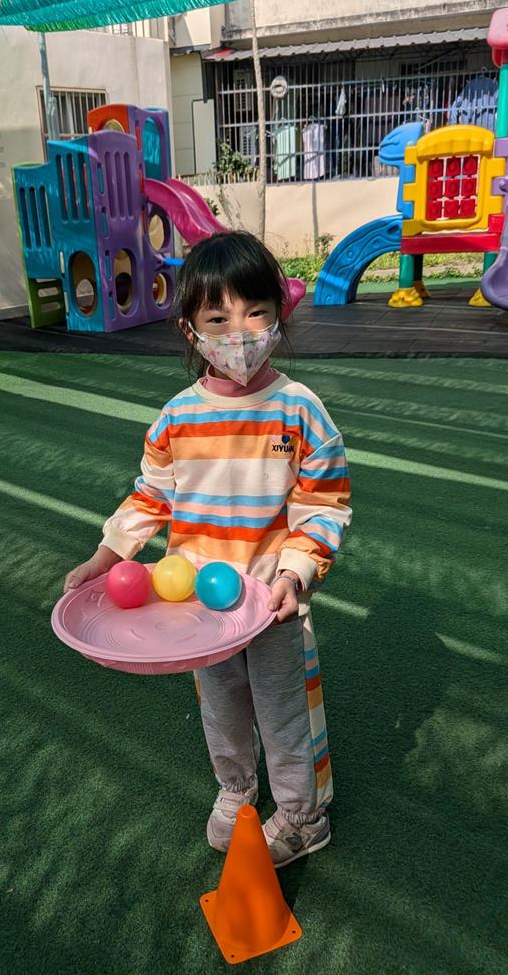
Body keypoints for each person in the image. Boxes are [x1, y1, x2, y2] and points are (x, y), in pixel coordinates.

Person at [64, 231, 352, 867]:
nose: (239, 333)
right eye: (218, 319)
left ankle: (302, 818)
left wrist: (295, 574)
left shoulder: (301, 410)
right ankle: (236, 789)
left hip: (271, 603)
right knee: (221, 709)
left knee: (285, 714)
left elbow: (324, 506)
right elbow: (150, 497)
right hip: (199, 606)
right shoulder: (176, 417)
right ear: (190, 331)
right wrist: (104, 558)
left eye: (255, 313)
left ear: (280, 316)